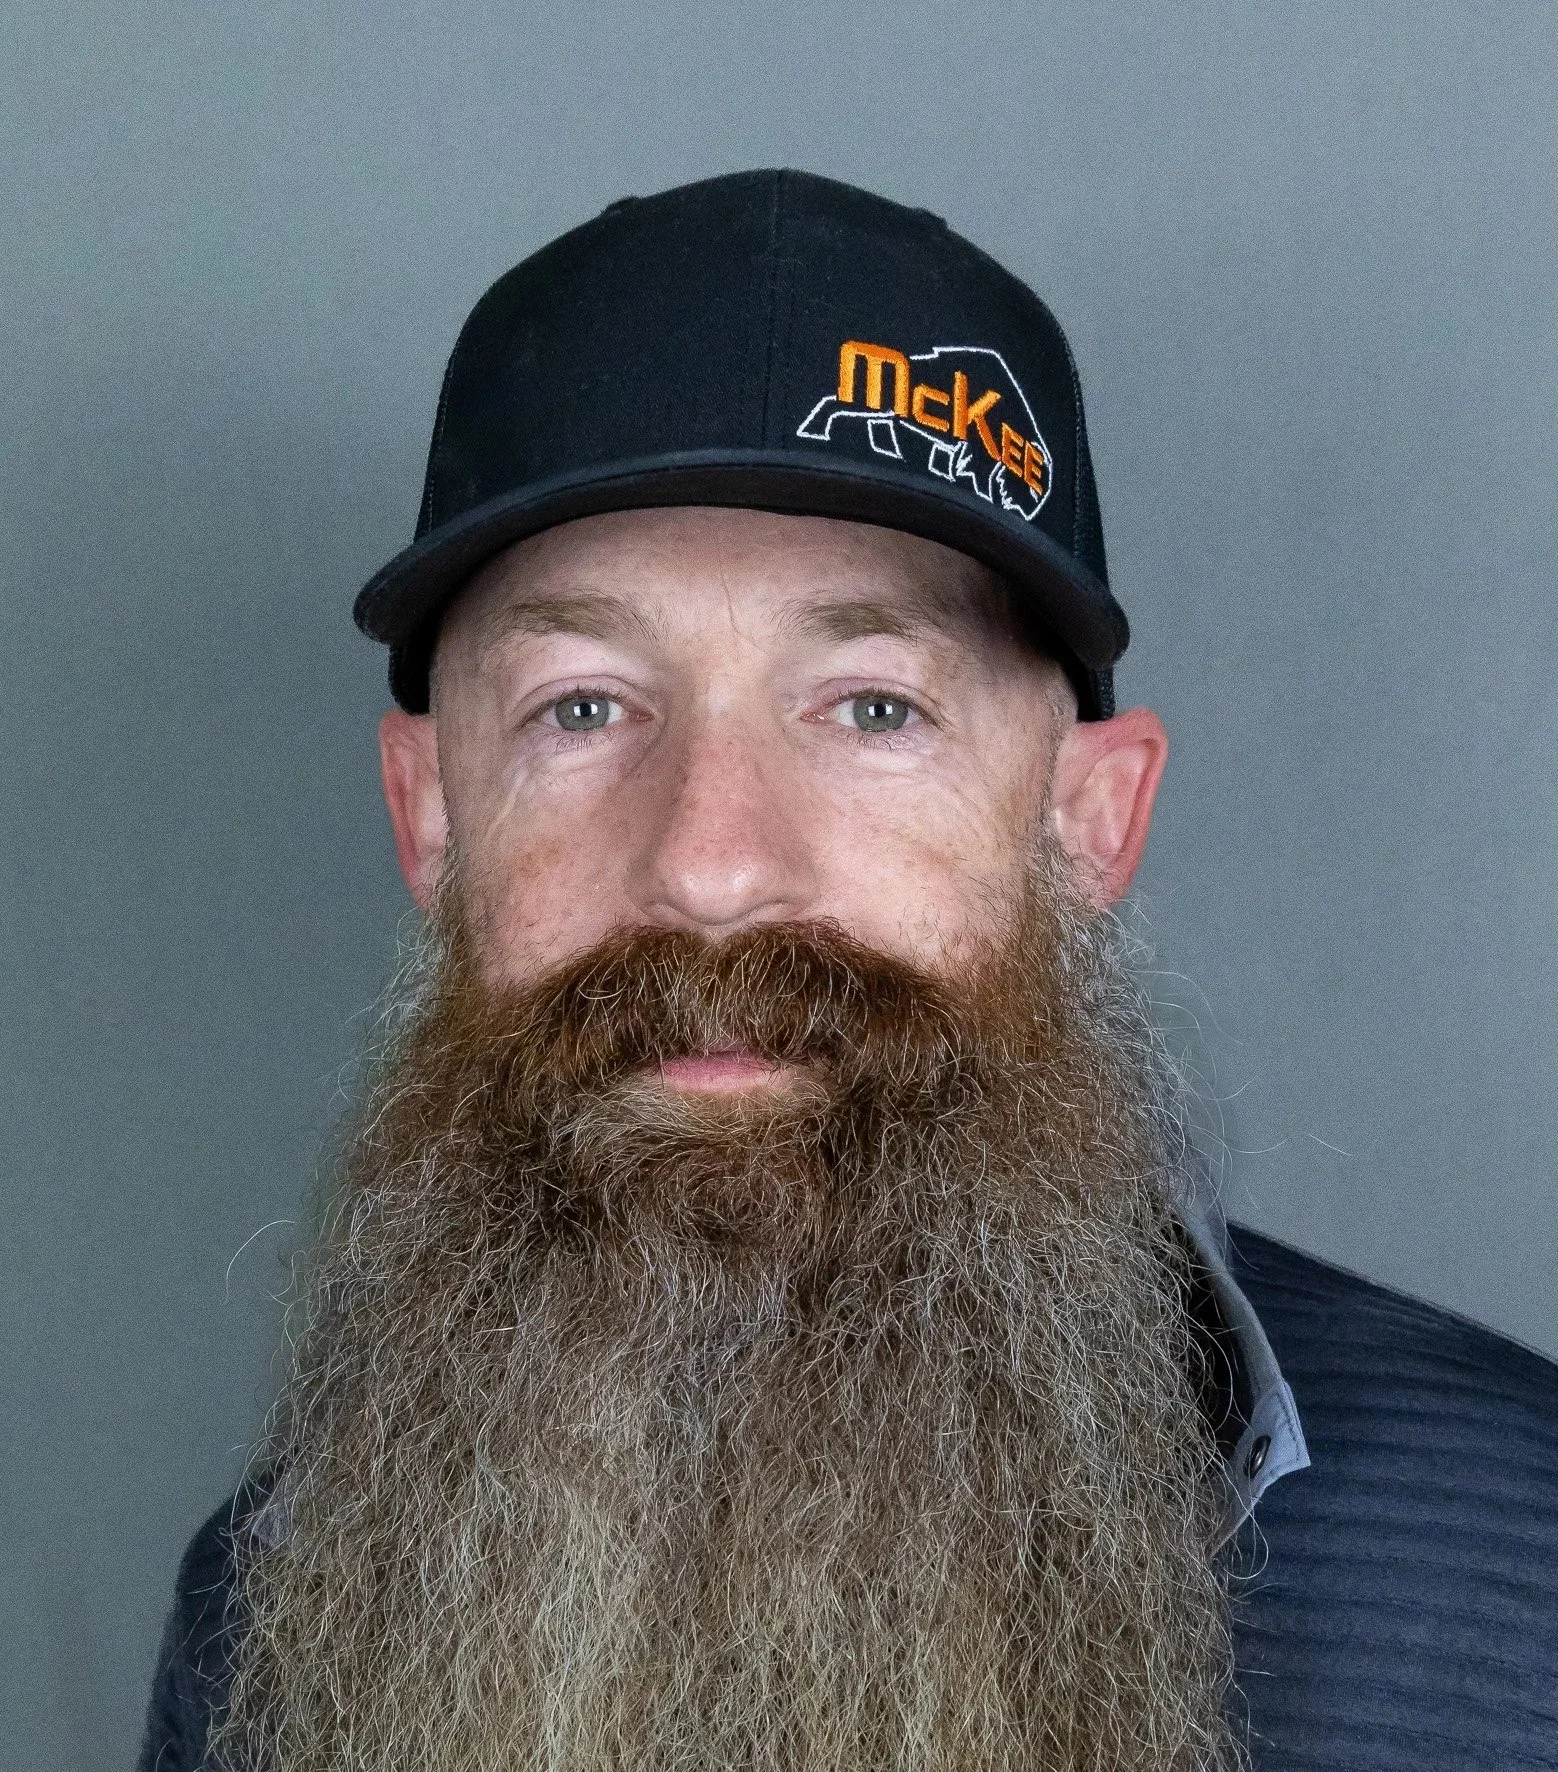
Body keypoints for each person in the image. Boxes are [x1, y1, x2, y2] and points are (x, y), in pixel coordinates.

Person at [138, 171, 1558, 1772]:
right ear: (432, 816)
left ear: (1088, 823)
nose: (712, 864)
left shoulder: (1521, 1576)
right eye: (583, 707)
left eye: (874, 707)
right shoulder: (280, 1602)